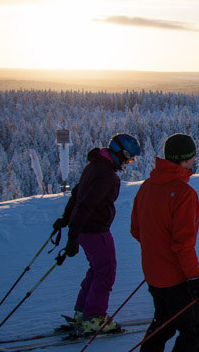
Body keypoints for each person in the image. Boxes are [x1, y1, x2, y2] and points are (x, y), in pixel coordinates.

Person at [127, 133, 199, 352]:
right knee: (192, 332)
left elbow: (136, 231)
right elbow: (183, 245)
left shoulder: (148, 186)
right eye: (193, 157)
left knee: (162, 325)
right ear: (187, 159)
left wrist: (157, 255)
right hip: (177, 278)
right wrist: (197, 280)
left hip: (153, 275)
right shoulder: (184, 193)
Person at [54, 132, 141, 334]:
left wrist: (66, 221)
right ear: (121, 153)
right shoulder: (106, 175)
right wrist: (71, 235)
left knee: (97, 269)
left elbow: (77, 195)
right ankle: (93, 317)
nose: (130, 162)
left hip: (87, 229)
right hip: (95, 230)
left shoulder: (95, 166)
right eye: (129, 157)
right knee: (106, 270)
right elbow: (85, 204)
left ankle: (83, 311)